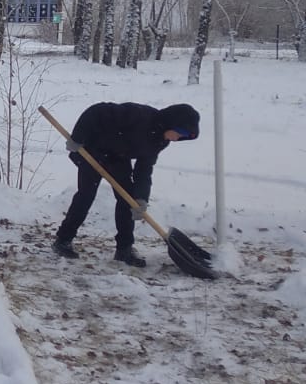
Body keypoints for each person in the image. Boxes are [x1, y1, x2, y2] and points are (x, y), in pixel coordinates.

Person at [53, 101, 199, 267]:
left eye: (183, 136)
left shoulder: (160, 141)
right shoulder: (140, 116)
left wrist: (141, 198)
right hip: (93, 150)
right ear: (172, 122)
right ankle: (63, 240)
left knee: (127, 199)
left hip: (117, 158)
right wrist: (77, 138)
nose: (178, 138)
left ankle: (124, 249)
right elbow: (96, 111)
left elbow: (144, 169)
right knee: (86, 195)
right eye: (180, 132)